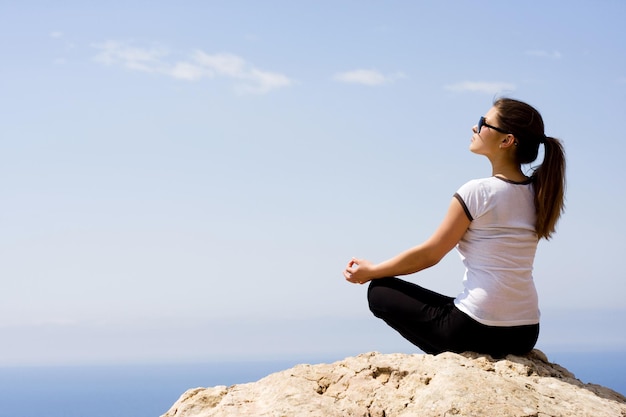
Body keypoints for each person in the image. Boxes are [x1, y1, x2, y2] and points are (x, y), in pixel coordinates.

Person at [343, 98, 566, 358]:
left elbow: (430, 254)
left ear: (506, 140)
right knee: (454, 305)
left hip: (478, 329)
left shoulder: (477, 191)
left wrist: (372, 271)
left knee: (380, 291)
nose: (475, 126)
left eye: (484, 123)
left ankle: (453, 359)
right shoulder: (538, 193)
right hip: (525, 333)